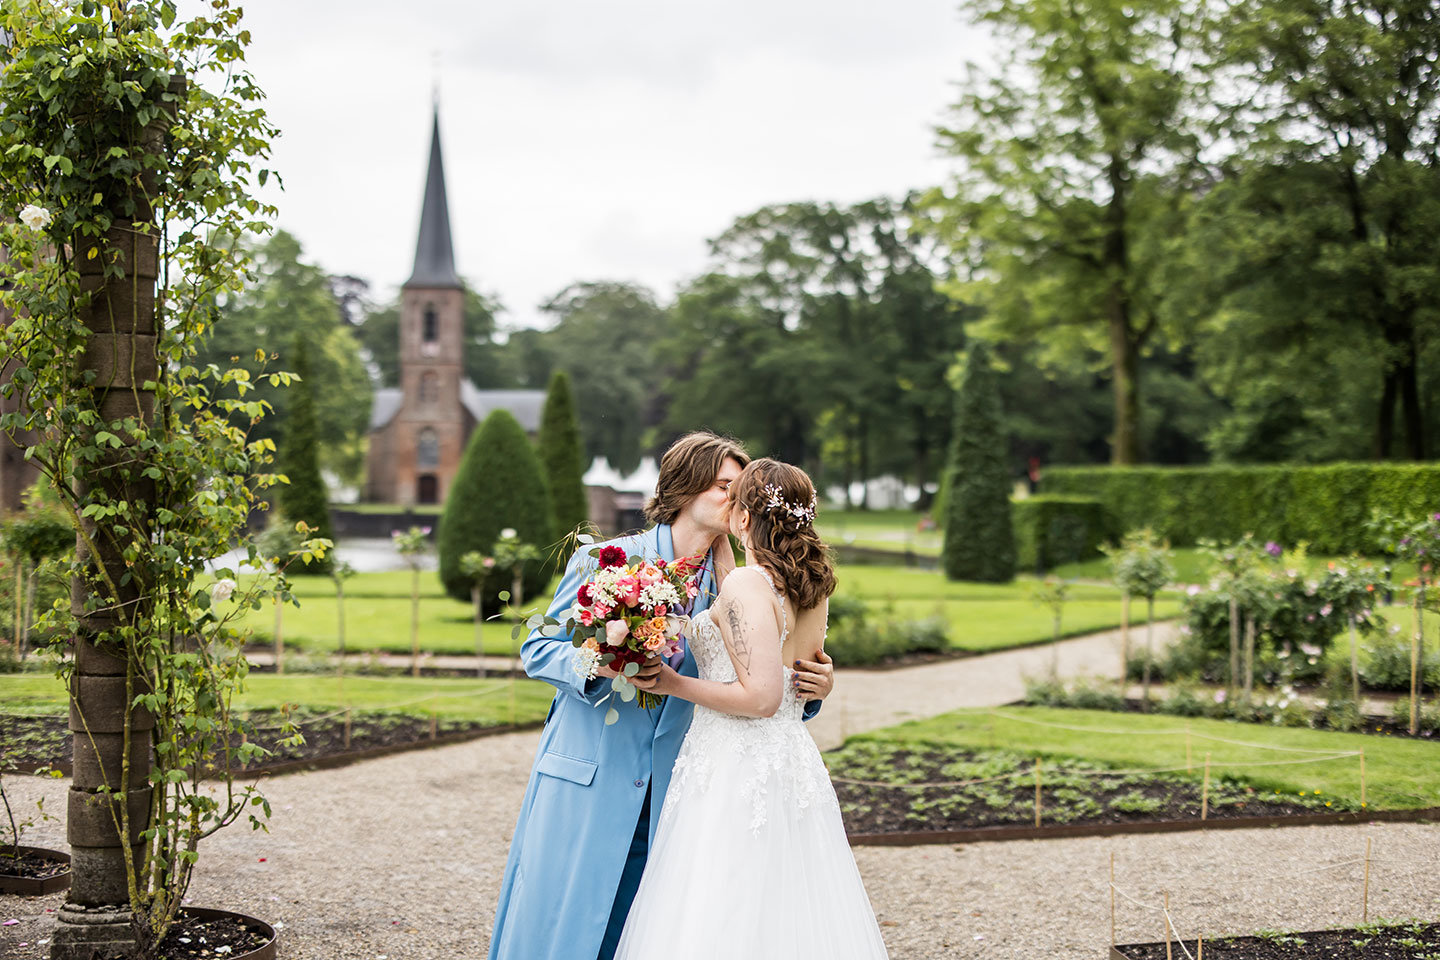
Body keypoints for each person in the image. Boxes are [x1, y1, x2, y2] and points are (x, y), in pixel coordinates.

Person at [487, 433, 836, 960]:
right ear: (686, 487)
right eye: (724, 486)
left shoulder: (745, 582)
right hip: (593, 770)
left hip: (686, 784)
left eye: (742, 489)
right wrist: (600, 664)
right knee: (561, 925)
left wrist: (814, 689)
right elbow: (539, 647)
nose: (737, 500)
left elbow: (768, 679)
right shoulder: (610, 560)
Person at [613, 458, 889, 960]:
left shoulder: (746, 586)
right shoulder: (812, 586)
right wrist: (723, 547)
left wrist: (674, 682)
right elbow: (782, 662)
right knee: (788, 897)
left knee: (724, 895)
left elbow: (760, 698)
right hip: (789, 758)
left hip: (733, 760)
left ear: (744, 517)